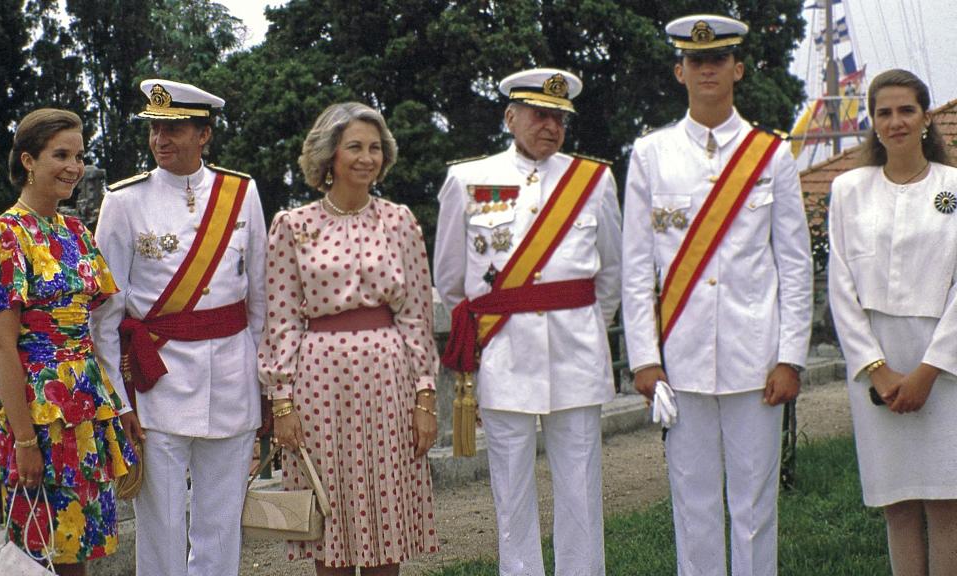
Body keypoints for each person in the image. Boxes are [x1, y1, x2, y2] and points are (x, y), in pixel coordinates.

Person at [621, 15, 812, 576]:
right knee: (693, 503)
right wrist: (645, 359)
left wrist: (791, 356)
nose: (708, 68)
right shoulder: (651, 154)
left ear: (738, 69)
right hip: (680, 361)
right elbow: (637, 268)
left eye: (719, 59)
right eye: (696, 61)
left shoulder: (771, 155)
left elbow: (794, 264)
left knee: (754, 507)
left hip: (757, 361)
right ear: (680, 71)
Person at [434, 68, 622, 576]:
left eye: (560, 118)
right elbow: (451, 281)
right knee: (510, 490)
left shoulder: (594, 180)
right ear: (510, 116)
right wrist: (485, 337)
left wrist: (583, 325)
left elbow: (611, 275)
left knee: (582, 487)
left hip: (576, 354)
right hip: (503, 355)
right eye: (540, 114)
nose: (551, 125)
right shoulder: (467, 180)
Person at [90, 79, 267, 576]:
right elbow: (106, 315)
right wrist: (119, 400)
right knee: (161, 528)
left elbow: (261, 301)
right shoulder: (124, 201)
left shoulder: (242, 193)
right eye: (154, 128)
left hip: (232, 379)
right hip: (156, 382)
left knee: (220, 524)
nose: (159, 140)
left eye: (174, 128)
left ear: (204, 134)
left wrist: (264, 386)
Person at [258, 101, 439, 574]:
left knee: (386, 517)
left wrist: (425, 400)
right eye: (354, 146)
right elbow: (280, 320)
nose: (366, 157)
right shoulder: (292, 226)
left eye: (375, 148)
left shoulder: (400, 221)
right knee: (329, 513)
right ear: (328, 155)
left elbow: (417, 315)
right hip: (319, 385)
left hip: (389, 382)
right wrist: (282, 403)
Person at [0, 108, 136, 576]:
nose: (74, 167)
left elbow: (93, 329)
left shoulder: (77, 232)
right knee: (40, 551)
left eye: (78, 156)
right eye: (60, 154)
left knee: (79, 550)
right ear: (28, 160)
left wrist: (116, 406)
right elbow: (2, 347)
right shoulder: (2, 237)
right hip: (36, 413)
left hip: (84, 409)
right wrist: (23, 440)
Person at [828, 68, 957, 576]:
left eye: (907, 110)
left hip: (944, 363)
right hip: (874, 360)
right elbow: (840, 286)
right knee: (898, 504)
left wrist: (930, 369)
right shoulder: (848, 190)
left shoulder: (954, 189)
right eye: (884, 112)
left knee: (947, 501)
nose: (896, 121)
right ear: (872, 121)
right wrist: (876, 369)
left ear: (926, 117)